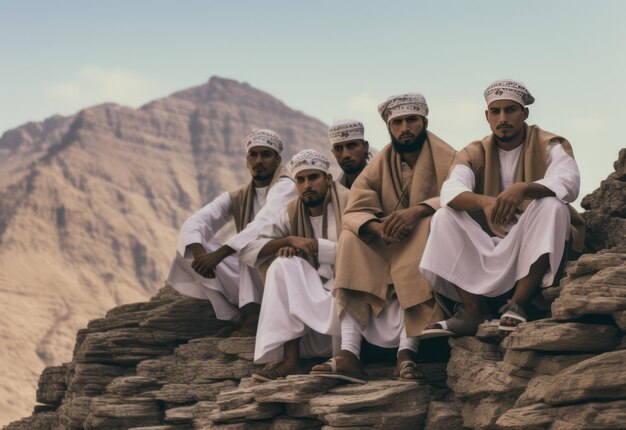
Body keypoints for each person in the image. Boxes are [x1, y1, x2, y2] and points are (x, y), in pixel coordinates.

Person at [419, 79, 584, 335]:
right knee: (443, 217)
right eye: (496, 111)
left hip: (533, 237)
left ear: (524, 113)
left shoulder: (549, 144)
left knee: (552, 205)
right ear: (487, 116)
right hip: (489, 241)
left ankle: (518, 304)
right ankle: (474, 312)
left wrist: (525, 189)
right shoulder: (473, 151)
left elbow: (569, 182)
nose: (503, 118)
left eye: (511, 110)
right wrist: (486, 202)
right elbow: (450, 191)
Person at [312, 93, 456, 381]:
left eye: (411, 120)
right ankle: (350, 353)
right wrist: (375, 227)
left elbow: (459, 193)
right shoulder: (379, 163)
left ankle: (407, 352)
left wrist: (417, 211)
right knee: (352, 238)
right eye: (397, 122)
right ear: (389, 128)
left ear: (423, 121)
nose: (404, 128)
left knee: (428, 228)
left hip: (427, 240)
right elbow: (355, 209)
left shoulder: (449, 157)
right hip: (389, 242)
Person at [167, 129, 296, 336]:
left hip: (286, 265)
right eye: (253, 155)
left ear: (278, 159)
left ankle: (253, 317)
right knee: (188, 253)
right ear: (247, 160)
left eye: (266, 155)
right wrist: (202, 255)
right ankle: (236, 316)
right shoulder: (240, 195)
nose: (259, 160)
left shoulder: (286, 186)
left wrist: (219, 255)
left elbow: (262, 224)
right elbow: (196, 222)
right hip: (254, 274)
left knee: (249, 247)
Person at [238, 150, 349, 381]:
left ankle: (349, 355)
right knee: (282, 264)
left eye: (313, 178)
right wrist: (287, 242)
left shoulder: (349, 202)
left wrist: (316, 247)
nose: (307, 185)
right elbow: (247, 247)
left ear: (328, 179)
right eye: (300, 179)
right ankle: (290, 360)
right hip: (309, 299)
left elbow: (363, 252)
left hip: (347, 297)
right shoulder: (289, 212)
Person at [328, 119, 370, 189]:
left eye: (351, 146)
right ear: (333, 153)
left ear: (365, 147)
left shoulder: (382, 180)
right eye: (338, 149)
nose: (345, 155)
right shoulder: (333, 193)